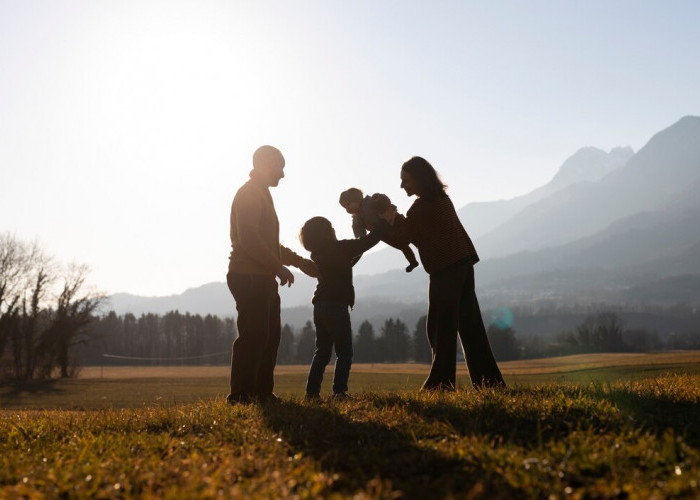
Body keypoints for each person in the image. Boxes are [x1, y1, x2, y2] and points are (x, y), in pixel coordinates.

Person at [382, 156, 505, 390]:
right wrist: (399, 222)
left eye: (406, 180)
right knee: (470, 328)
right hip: (463, 265)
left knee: (440, 328)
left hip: (446, 271)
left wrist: (383, 224)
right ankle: (490, 383)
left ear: (419, 179)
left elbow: (401, 240)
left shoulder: (421, 207)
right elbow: (422, 235)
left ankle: (441, 384)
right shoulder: (440, 199)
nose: (402, 186)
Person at [226, 145, 318, 404]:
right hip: (249, 276)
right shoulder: (250, 194)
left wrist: (298, 261)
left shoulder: (261, 194)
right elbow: (249, 239)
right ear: (266, 164)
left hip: (261, 276)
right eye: (280, 168)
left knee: (269, 337)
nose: (283, 175)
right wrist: (277, 266)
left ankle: (262, 393)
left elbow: (267, 243)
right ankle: (240, 396)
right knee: (254, 336)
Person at [299, 215, 388, 399]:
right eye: (331, 227)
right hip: (336, 307)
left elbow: (346, 261)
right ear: (326, 233)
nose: (334, 230)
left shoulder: (317, 254)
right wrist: (384, 223)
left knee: (322, 352)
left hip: (319, 306)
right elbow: (369, 242)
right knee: (344, 352)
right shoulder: (342, 248)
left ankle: (311, 394)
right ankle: (339, 393)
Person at [339, 188, 419, 272]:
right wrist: (360, 239)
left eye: (348, 204)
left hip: (395, 219)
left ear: (357, 199)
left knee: (412, 235)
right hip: (384, 232)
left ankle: (421, 245)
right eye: (345, 207)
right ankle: (413, 261)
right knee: (401, 245)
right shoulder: (357, 220)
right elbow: (360, 236)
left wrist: (379, 197)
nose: (347, 209)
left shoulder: (370, 202)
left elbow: (384, 201)